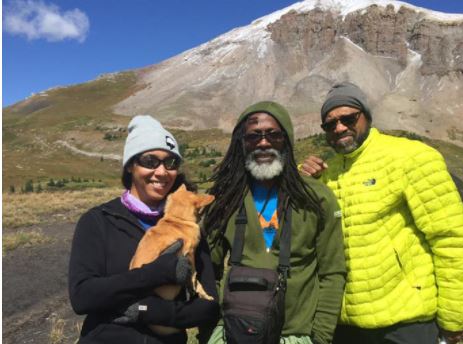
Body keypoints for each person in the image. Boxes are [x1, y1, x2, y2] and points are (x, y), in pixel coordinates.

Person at [301, 82, 463, 344]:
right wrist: (303, 180)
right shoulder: (327, 172)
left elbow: (451, 239)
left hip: (405, 322)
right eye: (329, 124)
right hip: (343, 324)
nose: (339, 128)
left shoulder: (410, 157)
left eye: (348, 118)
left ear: (366, 116)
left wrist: (454, 318)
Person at [204, 101, 347, 344]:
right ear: (241, 143)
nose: (263, 142)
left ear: (287, 141)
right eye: (253, 136)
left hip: (296, 335)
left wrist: (320, 338)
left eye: (273, 134)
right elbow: (208, 271)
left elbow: (332, 273)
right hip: (231, 333)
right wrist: (209, 330)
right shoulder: (224, 199)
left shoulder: (316, 197)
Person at [69, 115, 219, 344]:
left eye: (171, 163)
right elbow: (82, 296)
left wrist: (149, 311)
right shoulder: (98, 221)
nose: (161, 172)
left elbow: (209, 306)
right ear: (130, 165)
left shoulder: (187, 227)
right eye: (150, 161)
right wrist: (155, 273)